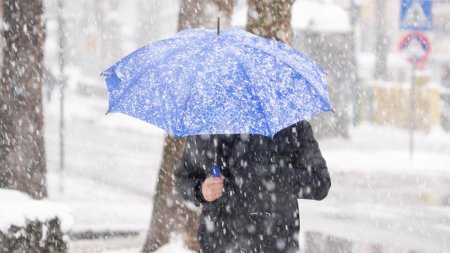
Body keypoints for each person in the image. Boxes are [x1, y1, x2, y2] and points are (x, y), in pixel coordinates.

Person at [175, 120, 331, 253]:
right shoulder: (208, 124)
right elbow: (183, 178)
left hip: (273, 241)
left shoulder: (290, 125)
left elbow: (320, 182)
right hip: (218, 241)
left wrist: (271, 175)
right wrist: (200, 190)